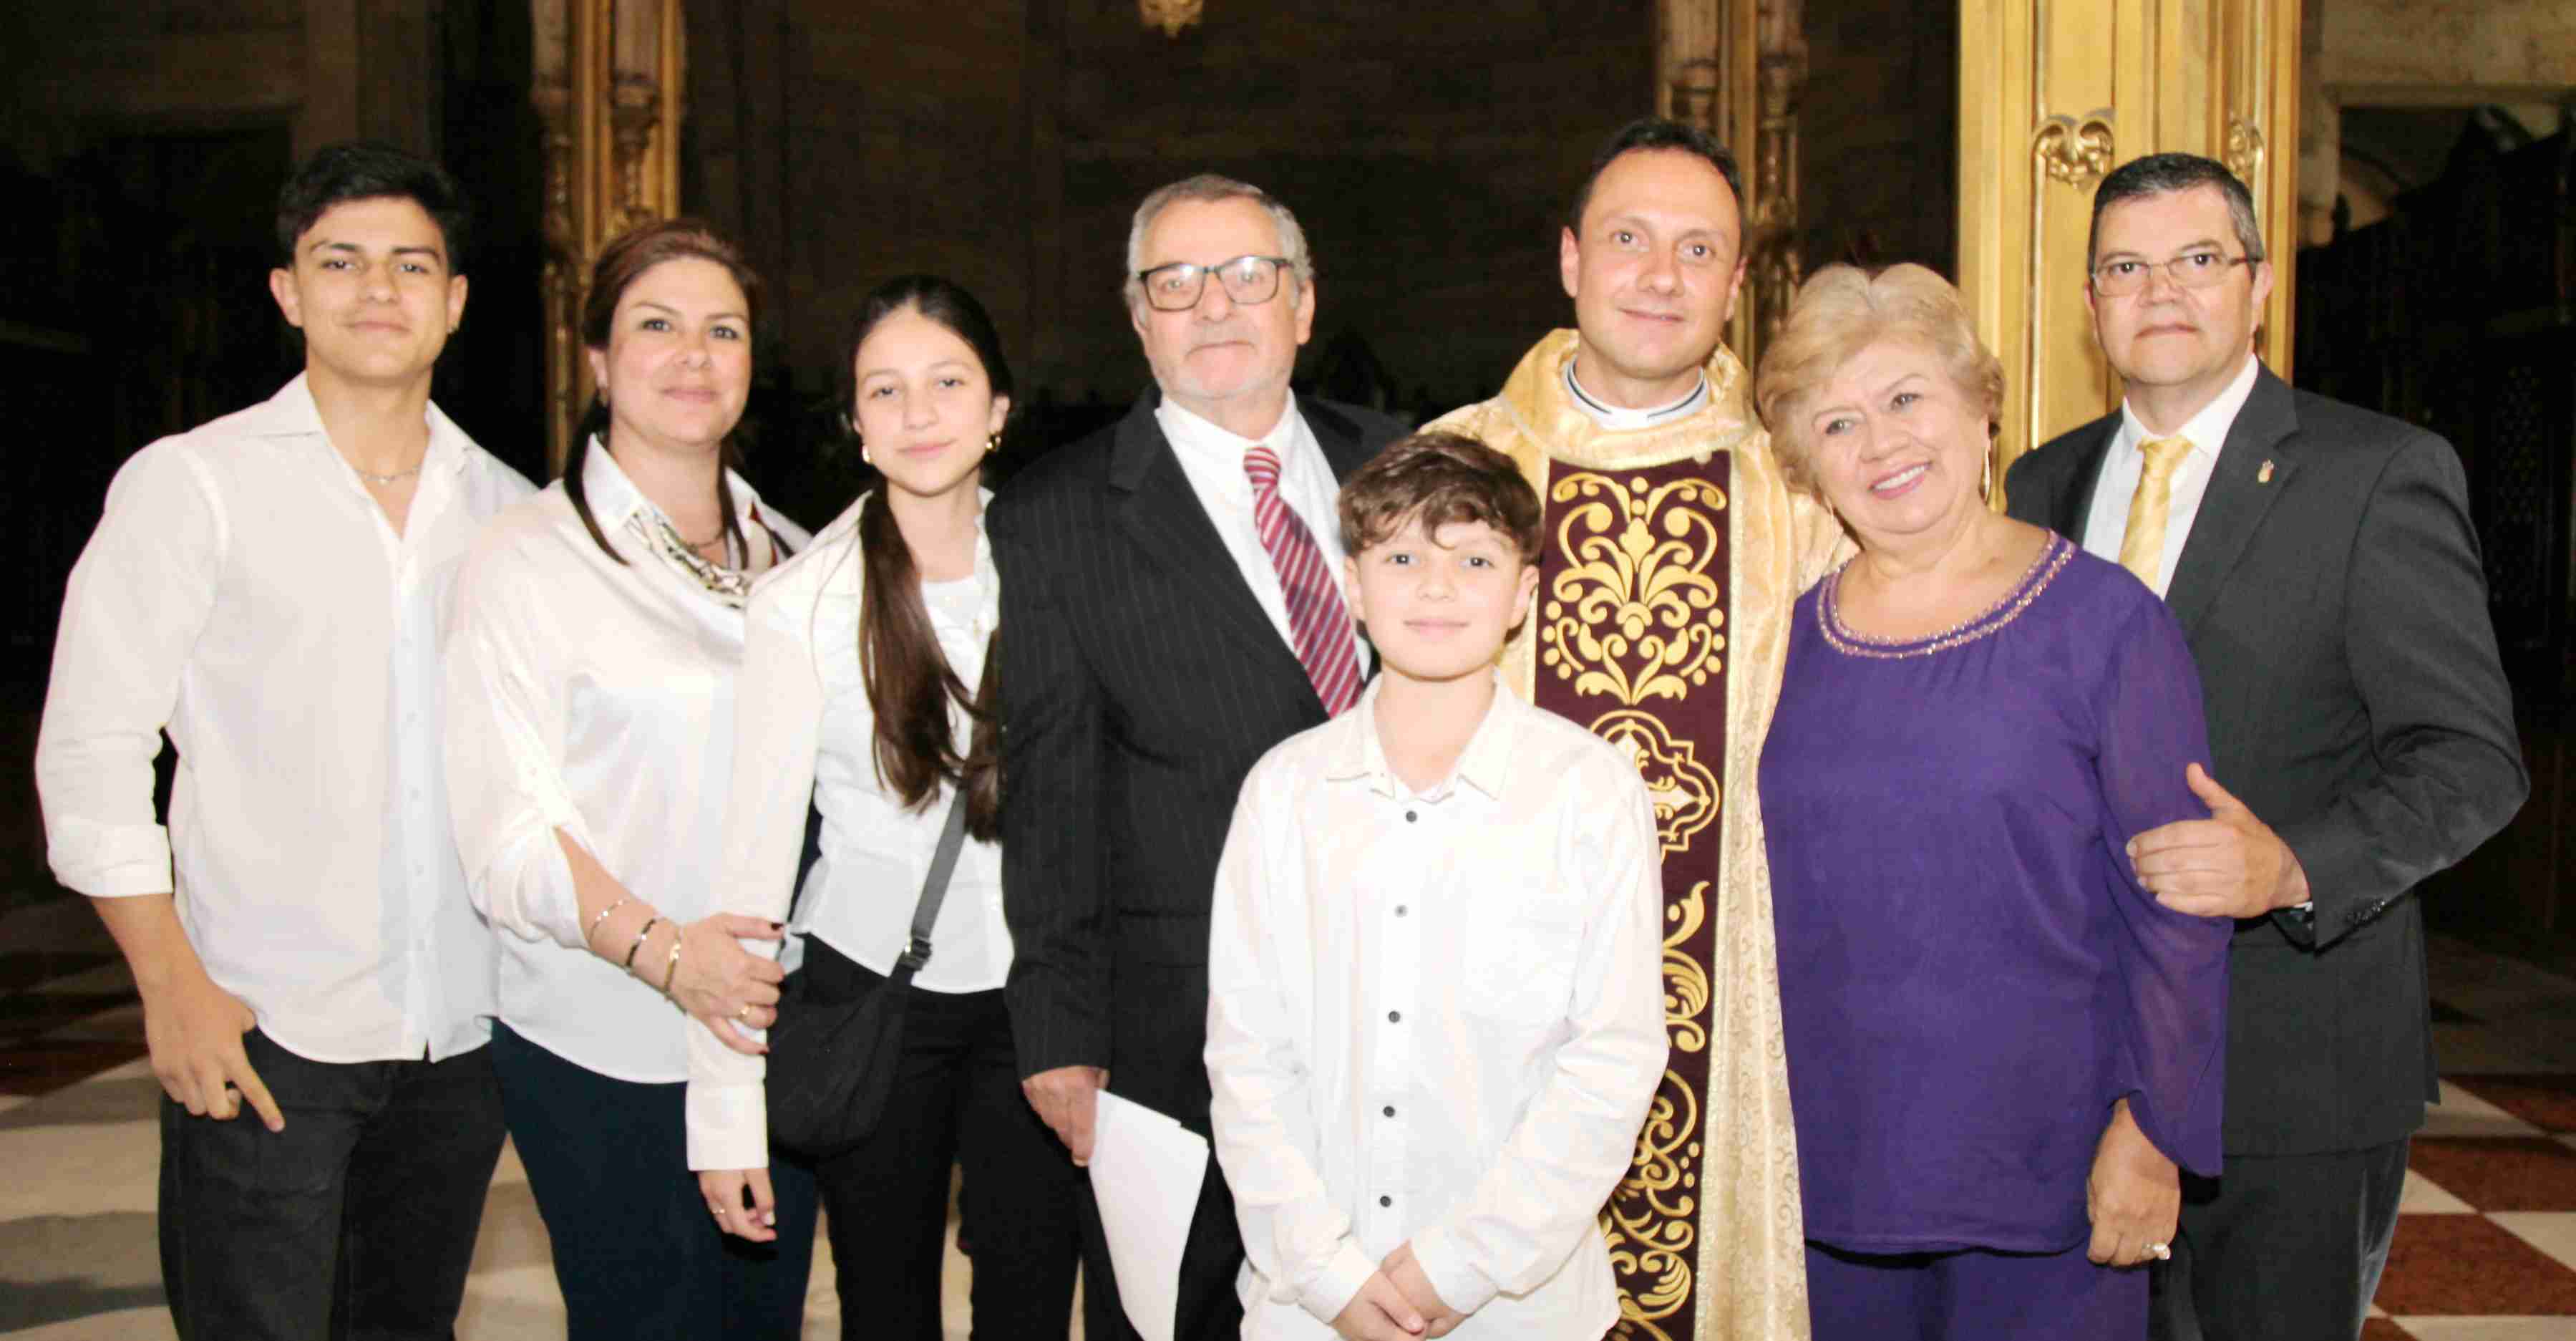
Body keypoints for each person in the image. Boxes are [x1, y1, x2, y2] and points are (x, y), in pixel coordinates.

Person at [2003, 153, 2527, 1341]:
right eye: (2123, 267)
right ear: (2088, 302)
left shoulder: (2373, 474)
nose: (2158, 291)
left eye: (2196, 259)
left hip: (2290, 1071)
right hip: (2075, 1063)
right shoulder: (2039, 484)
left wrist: (2289, 864)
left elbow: (2468, 759)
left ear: (2256, 286)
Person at [33, 141, 531, 1340]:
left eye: (411, 264)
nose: (378, 289)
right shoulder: (192, 486)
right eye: (340, 260)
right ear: (287, 291)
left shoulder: (510, 512)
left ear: (455, 300)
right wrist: (172, 988)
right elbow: (91, 750)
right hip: (261, 1025)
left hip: (461, 1035)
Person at [1752, 261, 2234, 1339]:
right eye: (1836, 424)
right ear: (1805, 466)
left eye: (1905, 397)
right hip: (1822, 1172)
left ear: (1980, 407)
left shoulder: (2106, 624)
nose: (1880, 444)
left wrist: (2153, 1130)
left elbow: (2177, 908)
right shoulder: (1775, 649)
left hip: (2049, 1176)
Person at [1423, 116, 1842, 1340]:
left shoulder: (1800, 489)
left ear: (1735, 281)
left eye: (1696, 249)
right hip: (1494, 1002)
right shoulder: (1453, 470)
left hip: (1736, 1006)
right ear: (1568, 259)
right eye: (1627, 240)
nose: (1660, 276)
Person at [990, 172, 1408, 1341]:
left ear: (1303, 303)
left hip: (1410, 1005)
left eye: (1247, 274)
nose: (1213, 304)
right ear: (1138, 318)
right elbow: (1050, 795)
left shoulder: (1404, 463)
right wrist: (1060, 1036)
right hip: (1180, 1032)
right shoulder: (1056, 514)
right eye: (1174, 282)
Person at [442, 217, 817, 1338]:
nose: (694, 355)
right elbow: (507, 831)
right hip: (604, 1037)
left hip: (771, 1040)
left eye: (723, 330)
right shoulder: (526, 556)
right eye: (657, 326)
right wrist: (669, 954)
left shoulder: (796, 555)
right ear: (599, 360)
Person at [1205, 431, 1668, 1341]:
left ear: (1523, 594)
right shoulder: (1284, 790)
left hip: (1519, 1307)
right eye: (1403, 557)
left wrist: (1461, 1263)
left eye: (1474, 559)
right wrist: (1327, 1272)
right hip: (1310, 1302)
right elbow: (1248, 1057)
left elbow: (1610, 1059)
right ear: (1352, 584)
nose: (1436, 586)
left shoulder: (1589, 788)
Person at [689, 274, 1084, 1338]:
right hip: (873, 993)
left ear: (998, 408)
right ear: (856, 425)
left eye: (947, 382)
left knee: (1031, 1302)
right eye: (885, 390)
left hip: (1035, 998)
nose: (918, 414)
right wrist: (723, 1112)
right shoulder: (804, 602)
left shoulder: (1060, 566)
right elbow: (750, 869)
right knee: (883, 1307)